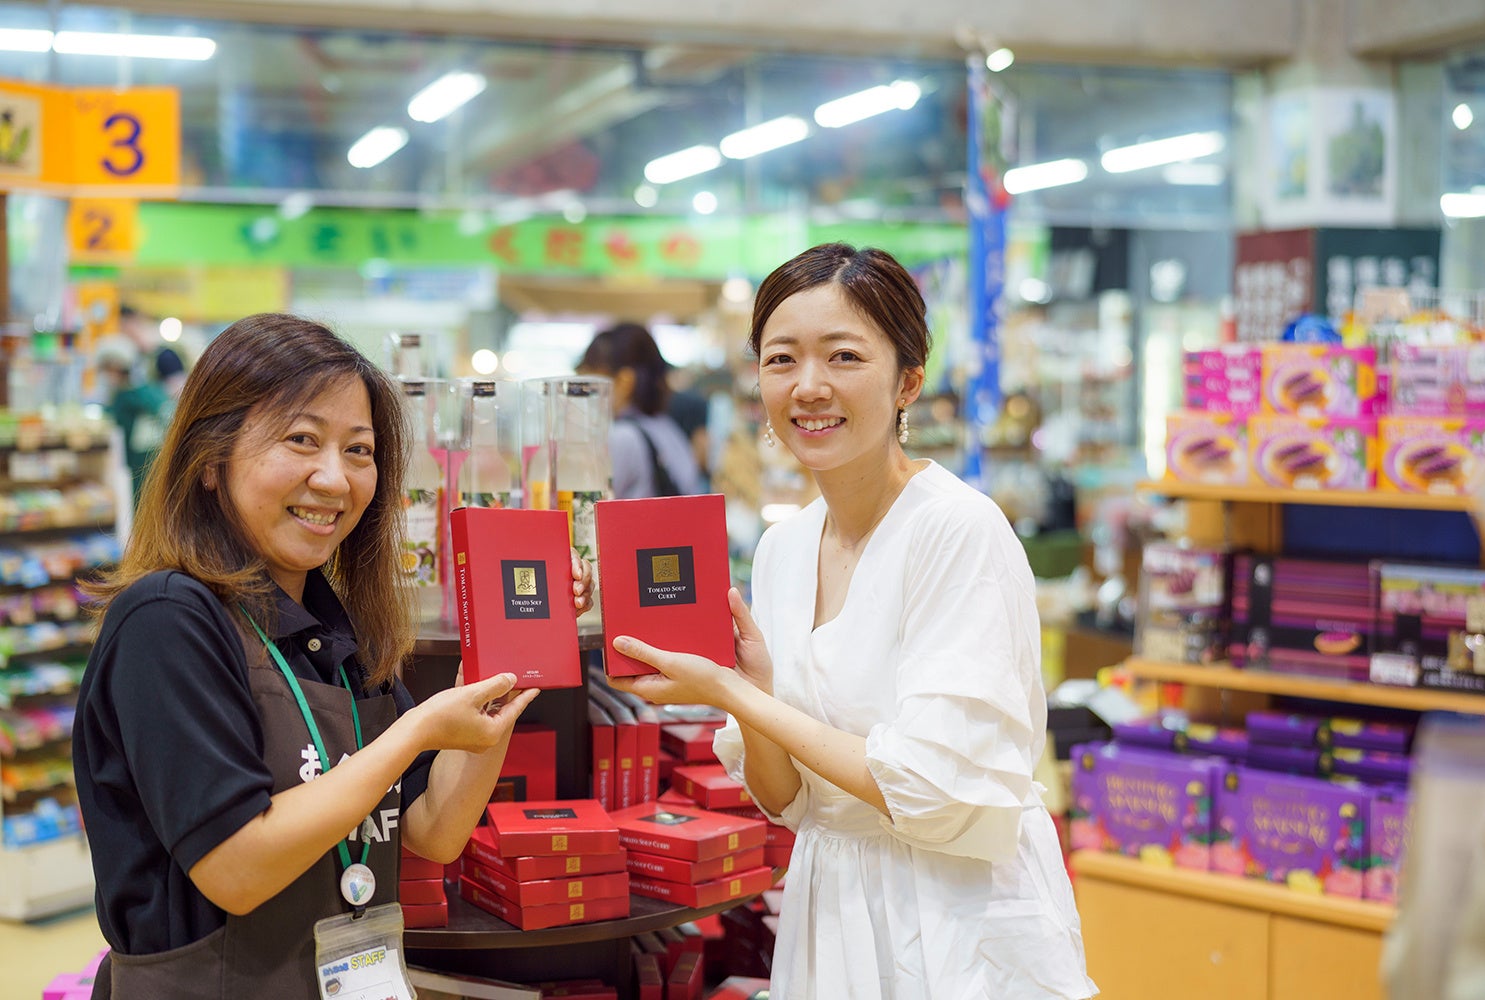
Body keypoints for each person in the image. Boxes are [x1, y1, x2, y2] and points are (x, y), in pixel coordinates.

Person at [609, 244, 1097, 999]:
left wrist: (740, 697)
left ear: (908, 380)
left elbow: (938, 790)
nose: (809, 387)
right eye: (781, 360)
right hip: (834, 906)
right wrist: (758, 688)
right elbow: (787, 800)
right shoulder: (783, 548)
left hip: (954, 917)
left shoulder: (958, 531)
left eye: (843, 356)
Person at [73, 313, 594, 999]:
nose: (334, 478)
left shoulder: (333, 627)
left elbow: (434, 829)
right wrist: (416, 732)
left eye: (358, 450)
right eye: (301, 441)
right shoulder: (168, 619)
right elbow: (236, 867)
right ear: (209, 459)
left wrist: (496, 677)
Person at [577, 322, 705, 498]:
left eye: (588, 385)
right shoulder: (666, 427)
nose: (582, 397)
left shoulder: (622, 437)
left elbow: (588, 506)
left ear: (624, 382)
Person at [95, 335, 173, 507]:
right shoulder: (119, 396)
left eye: (115, 368)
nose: (110, 374)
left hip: (143, 463)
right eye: (107, 368)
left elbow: (167, 414)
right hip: (127, 462)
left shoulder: (140, 394)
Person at [119, 303, 188, 399]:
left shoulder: (165, 356)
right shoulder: (136, 359)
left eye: (123, 325)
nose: (122, 331)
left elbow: (180, 391)